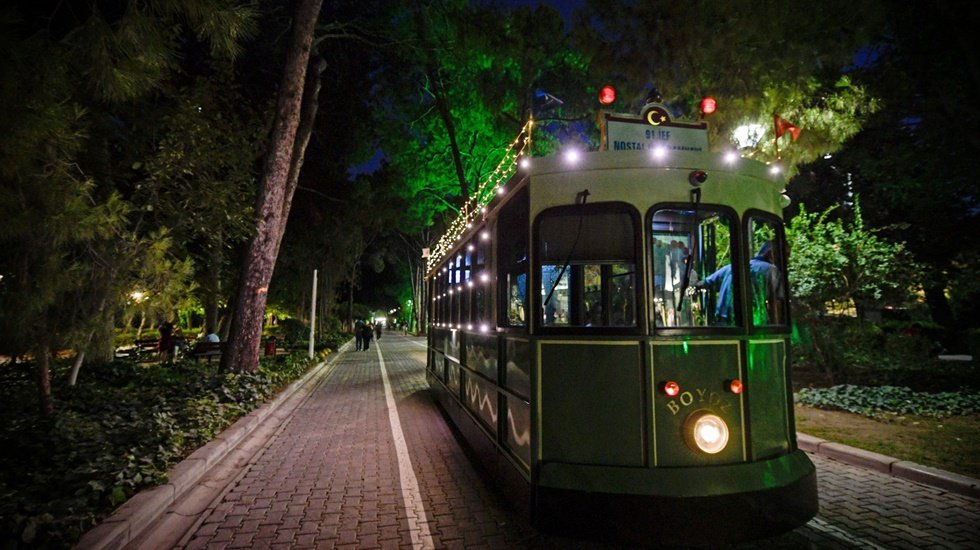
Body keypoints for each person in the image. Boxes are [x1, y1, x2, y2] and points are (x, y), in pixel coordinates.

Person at [696, 241, 784, 325]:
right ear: (771, 253)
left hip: (723, 324)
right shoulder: (772, 270)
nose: (786, 260)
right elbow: (776, 304)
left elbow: (703, 283)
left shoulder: (730, 268)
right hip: (753, 323)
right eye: (785, 255)